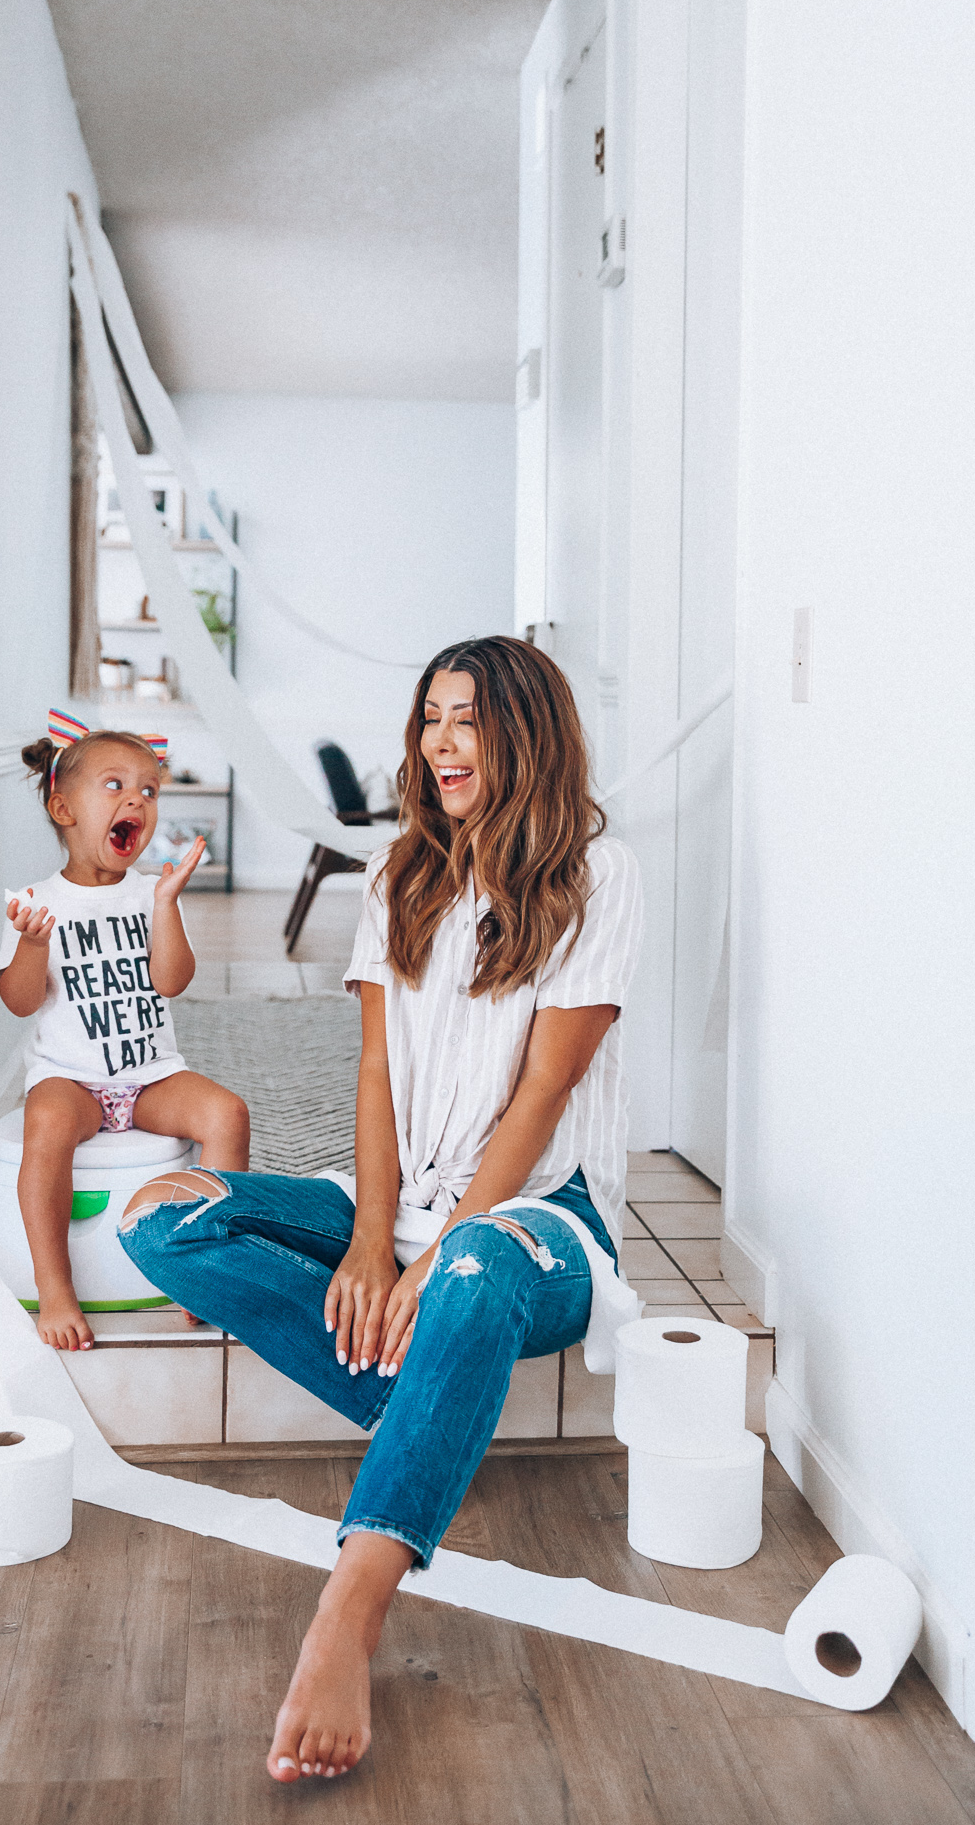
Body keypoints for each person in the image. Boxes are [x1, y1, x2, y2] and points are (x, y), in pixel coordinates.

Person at [118, 637, 643, 1781]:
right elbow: (372, 1074)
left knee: (468, 1280)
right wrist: (368, 1239)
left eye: (468, 720)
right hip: (391, 1204)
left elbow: (543, 1097)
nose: (439, 743)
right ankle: (437, 1402)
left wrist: (430, 1255)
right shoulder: (402, 869)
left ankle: (348, 1612)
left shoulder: (597, 878)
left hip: (536, 1219)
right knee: (163, 1215)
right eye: (430, 720)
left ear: (527, 733)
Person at [0, 711, 249, 1351]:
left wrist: (165, 906)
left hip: (151, 1076)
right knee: (45, 1124)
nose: (136, 798)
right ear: (64, 809)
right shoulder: (33, 900)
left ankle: (206, 1267)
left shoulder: (152, 894)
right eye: (114, 785)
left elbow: (173, 981)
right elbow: (20, 1002)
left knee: (227, 1113)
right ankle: (55, 1285)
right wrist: (30, 946)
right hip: (72, 1078)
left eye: (149, 790)